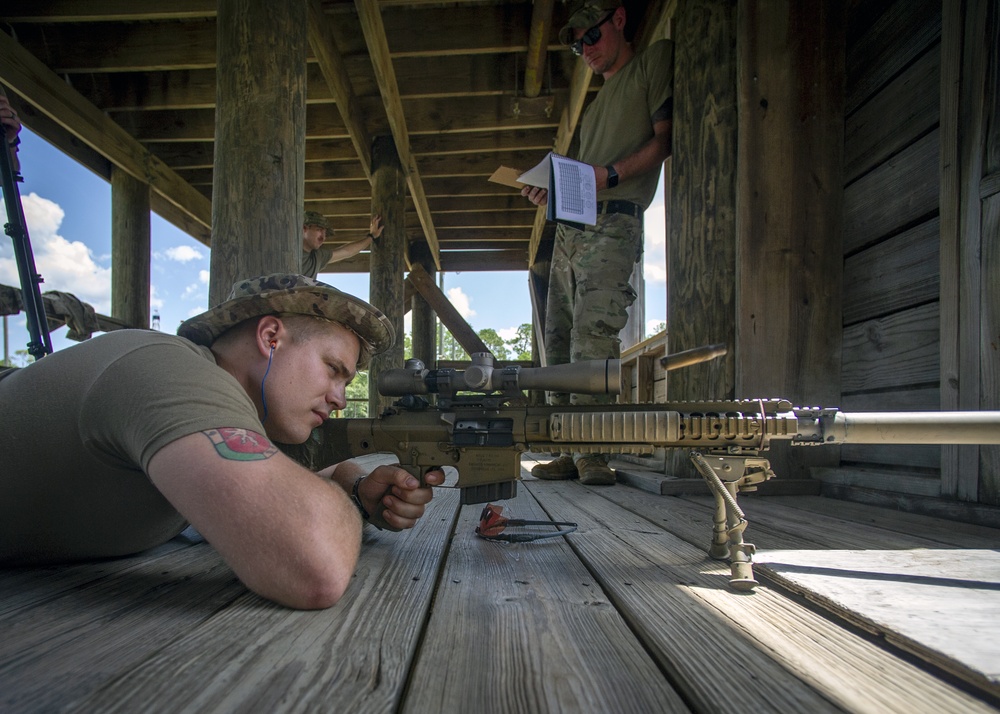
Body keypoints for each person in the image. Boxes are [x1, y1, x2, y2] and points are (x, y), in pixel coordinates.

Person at [0, 273, 446, 610]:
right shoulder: (171, 372)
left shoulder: (212, 399)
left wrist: (351, 483)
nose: (340, 399)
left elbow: (249, 500)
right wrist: (341, 502)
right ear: (271, 337)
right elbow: (314, 564)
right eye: (334, 369)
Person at [522, 0, 673, 485]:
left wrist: (606, 175)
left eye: (591, 36)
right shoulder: (591, 113)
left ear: (620, 20)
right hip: (571, 232)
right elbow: (579, 182)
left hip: (615, 223)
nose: (584, 49)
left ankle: (594, 453)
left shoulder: (655, 62)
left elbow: (663, 141)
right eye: (576, 43)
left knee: (594, 338)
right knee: (559, 346)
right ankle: (567, 449)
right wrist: (549, 192)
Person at [302, 209, 384, 279]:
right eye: (319, 230)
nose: (323, 237)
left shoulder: (317, 257)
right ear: (304, 229)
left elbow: (346, 251)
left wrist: (372, 236)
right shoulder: (289, 251)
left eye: (325, 233)